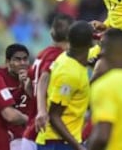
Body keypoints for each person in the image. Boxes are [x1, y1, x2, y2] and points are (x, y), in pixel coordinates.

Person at [36, 21, 93, 150]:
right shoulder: (69, 74)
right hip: (57, 143)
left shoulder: (64, 57)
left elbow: (44, 76)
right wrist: (78, 146)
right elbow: (54, 116)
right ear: (89, 43)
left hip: (62, 141)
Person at [22, 14, 74, 149]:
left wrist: (37, 101)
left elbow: (28, 85)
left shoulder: (42, 53)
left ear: (51, 33)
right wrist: (42, 110)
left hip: (30, 132)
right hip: (42, 132)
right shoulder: (58, 57)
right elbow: (44, 78)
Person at [0, 44, 32, 150]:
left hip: (29, 132)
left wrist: (30, 89)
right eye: (17, 60)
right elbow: (6, 106)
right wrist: (21, 87)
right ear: (7, 62)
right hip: (7, 132)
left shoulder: (33, 76)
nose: (22, 63)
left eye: (25, 59)